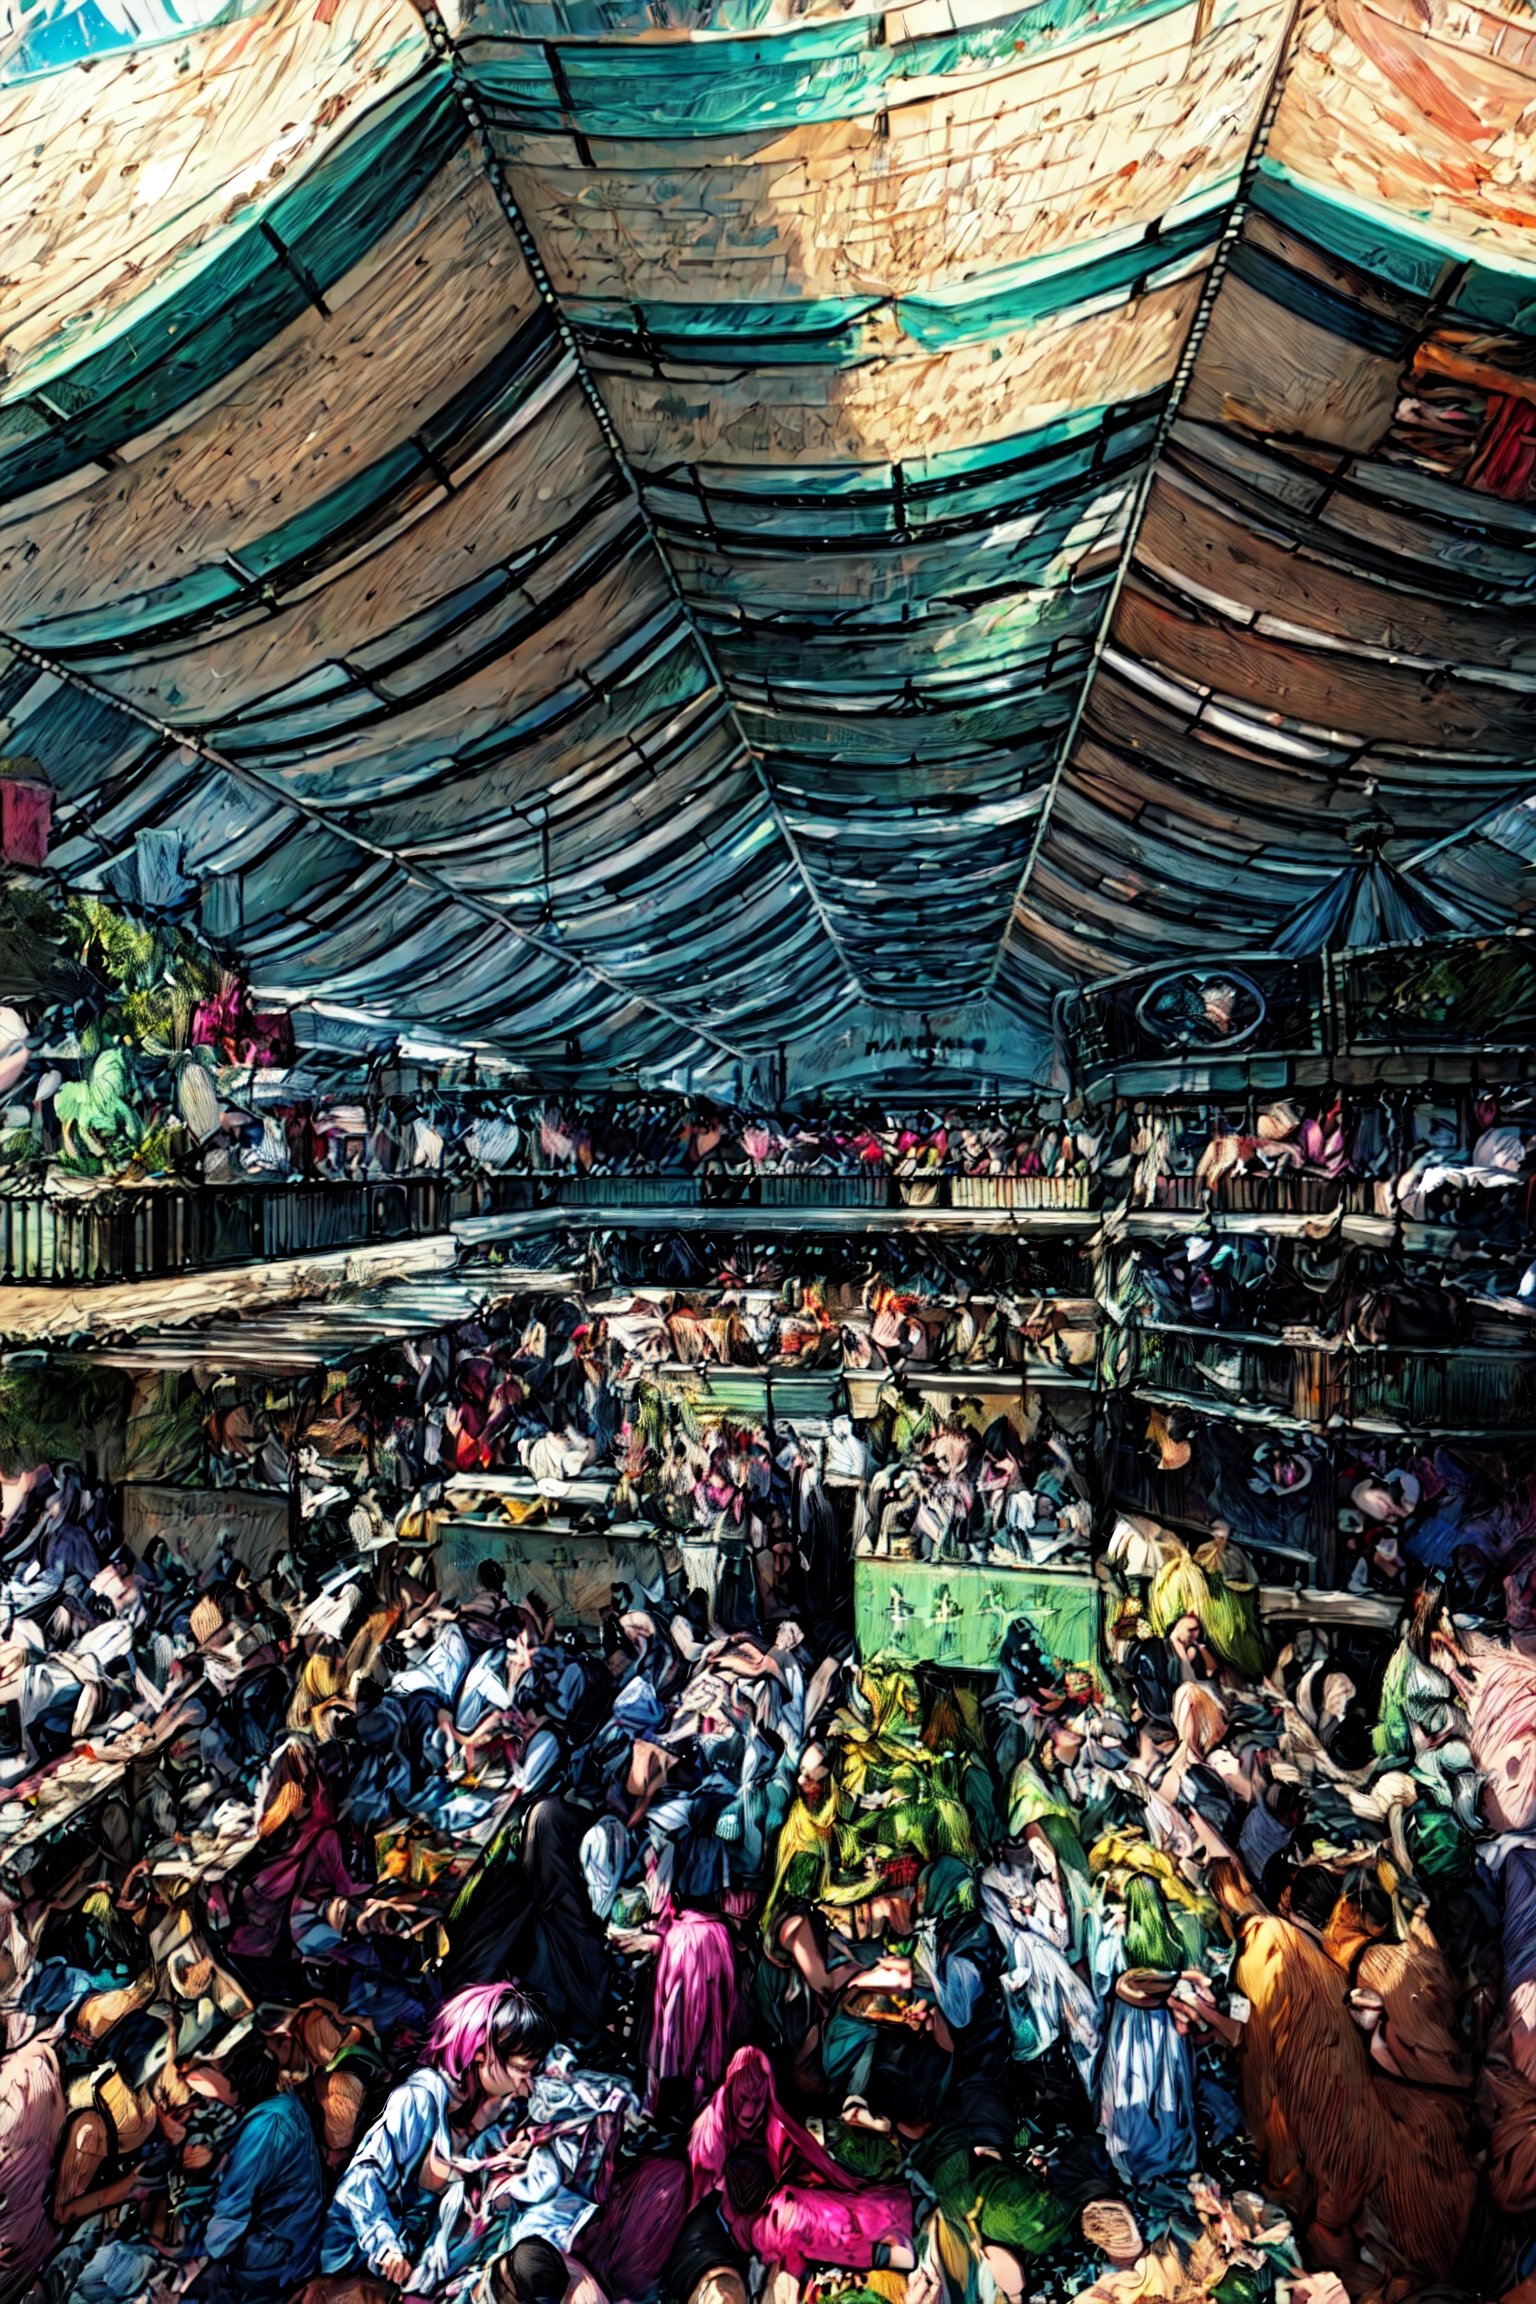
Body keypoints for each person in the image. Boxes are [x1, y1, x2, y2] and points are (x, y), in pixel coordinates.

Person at [321, 1983, 557, 2290]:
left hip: (411, 2274)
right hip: (354, 2266)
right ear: (481, 2054)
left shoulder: (489, 2119)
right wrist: (387, 2248)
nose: (526, 2084)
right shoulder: (419, 2099)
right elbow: (361, 2180)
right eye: (519, 2068)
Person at [184, 2036, 325, 2303]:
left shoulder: (266, 2125)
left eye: (212, 2084)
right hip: (293, 2246)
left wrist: (204, 2253)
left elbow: (235, 2202)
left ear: (241, 2080)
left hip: (270, 2261)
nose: (205, 2095)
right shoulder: (284, 2106)